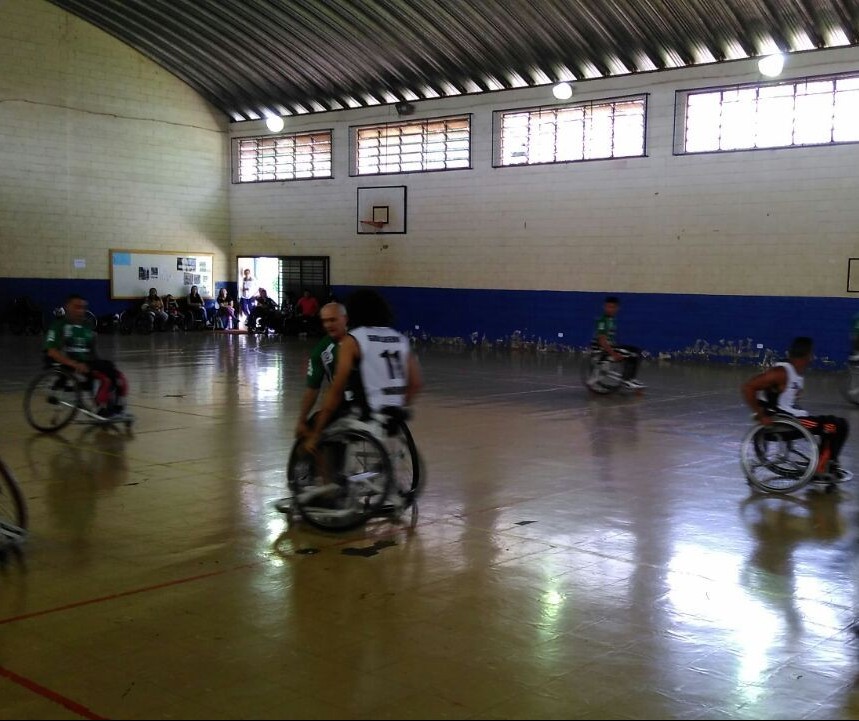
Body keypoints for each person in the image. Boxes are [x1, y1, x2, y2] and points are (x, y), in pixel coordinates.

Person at [305, 288, 422, 450]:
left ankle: (329, 473)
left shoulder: (354, 339)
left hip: (366, 411)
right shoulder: (400, 339)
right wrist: (399, 405)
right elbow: (416, 383)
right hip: (395, 412)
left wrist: (317, 430)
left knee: (319, 431)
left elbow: (337, 388)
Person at [742, 336, 849, 478]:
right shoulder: (781, 372)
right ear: (807, 354)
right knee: (832, 426)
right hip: (785, 422)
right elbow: (748, 387)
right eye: (811, 353)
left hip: (795, 419)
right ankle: (821, 467)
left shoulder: (796, 374)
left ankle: (829, 462)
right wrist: (761, 415)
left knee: (842, 423)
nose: (812, 357)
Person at [44, 294, 129, 419]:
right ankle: (102, 408)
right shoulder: (58, 326)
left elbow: (92, 351)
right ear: (67, 307)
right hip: (71, 364)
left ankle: (117, 406)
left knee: (119, 377)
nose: (80, 310)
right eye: (76, 307)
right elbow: (52, 352)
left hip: (88, 362)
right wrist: (74, 364)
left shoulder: (87, 326)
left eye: (83, 307)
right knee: (107, 379)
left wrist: (97, 363)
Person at [591, 295, 644, 390]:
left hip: (609, 347)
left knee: (636, 351)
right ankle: (627, 380)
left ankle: (631, 378)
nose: (609, 309)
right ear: (604, 307)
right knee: (633, 355)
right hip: (602, 351)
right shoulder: (603, 321)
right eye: (607, 307)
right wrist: (614, 354)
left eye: (612, 307)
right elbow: (602, 341)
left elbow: (610, 339)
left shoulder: (611, 319)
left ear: (617, 308)